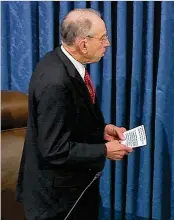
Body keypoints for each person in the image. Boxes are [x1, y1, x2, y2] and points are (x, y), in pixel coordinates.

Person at [16, 8, 133, 220]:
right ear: (83, 43)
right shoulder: (55, 81)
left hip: (73, 192)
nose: (107, 43)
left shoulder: (63, 61)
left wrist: (103, 131)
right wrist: (104, 150)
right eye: (103, 38)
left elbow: (69, 120)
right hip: (57, 203)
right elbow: (54, 149)